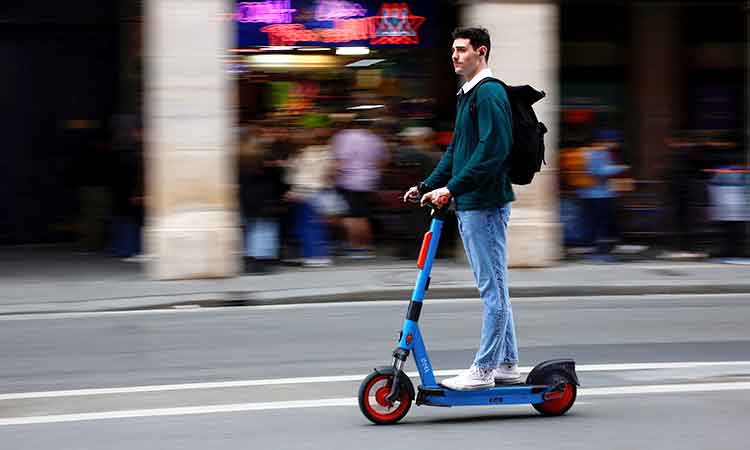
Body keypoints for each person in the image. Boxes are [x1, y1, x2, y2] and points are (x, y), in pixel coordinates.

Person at [404, 27, 518, 390]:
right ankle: (508, 363)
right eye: (453, 50)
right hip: (471, 204)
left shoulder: (489, 94)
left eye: (461, 50)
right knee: (496, 288)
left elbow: (492, 151)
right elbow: (457, 152)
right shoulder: (468, 96)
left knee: (492, 291)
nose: (454, 56)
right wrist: (427, 186)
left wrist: (451, 188)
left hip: (485, 205)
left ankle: (484, 370)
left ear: (480, 52)